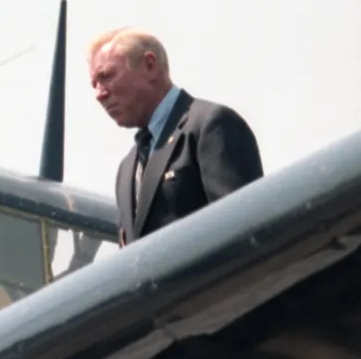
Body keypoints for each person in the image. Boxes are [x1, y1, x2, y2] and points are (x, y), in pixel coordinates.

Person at [87, 27, 264, 246]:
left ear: (149, 66)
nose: (99, 94)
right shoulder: (126, 171)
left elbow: (244, 233)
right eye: (94, 84)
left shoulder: (210, 126)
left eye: (106, 77)